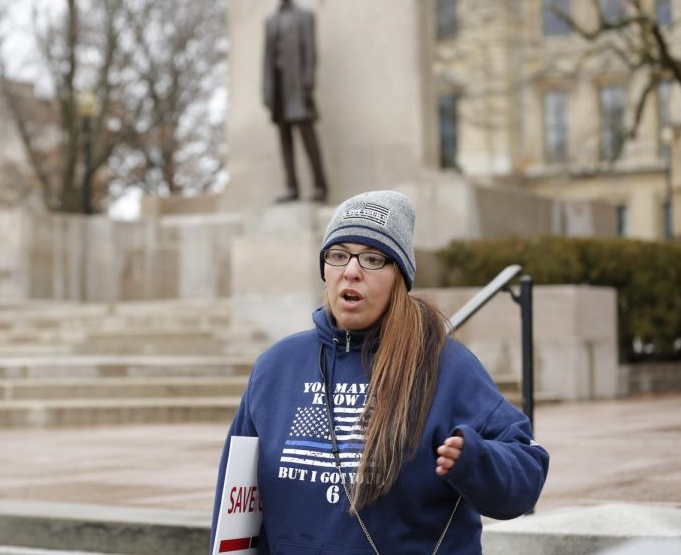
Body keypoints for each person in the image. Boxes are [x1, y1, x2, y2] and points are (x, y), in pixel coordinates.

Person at [211, 190, 549, 554]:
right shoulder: (276, 367)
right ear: (324, 269)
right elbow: (236, 510)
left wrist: (476, 462)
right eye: (338, 255)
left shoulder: (445, 366)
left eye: (372, 259)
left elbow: (526, 474)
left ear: (399, 277)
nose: (351, 272)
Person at [263, 0, 328, 204]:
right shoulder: (271, 21)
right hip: (279, 89)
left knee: (308, 138)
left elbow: (311, 53)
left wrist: (309, 83)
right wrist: (267, 90)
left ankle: (320, 186)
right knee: (285, 139)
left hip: (299, 88)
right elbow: (267, 58)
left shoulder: (304, 16)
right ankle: (292, 187)